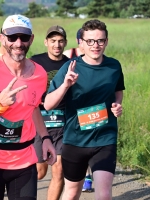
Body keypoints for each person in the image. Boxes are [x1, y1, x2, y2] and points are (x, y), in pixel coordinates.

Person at [0, 14, 57, 200]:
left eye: (24, 37)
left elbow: (33, 108)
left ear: (31, 39)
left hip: (24, 162)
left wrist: (46, 137)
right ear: (2, 38)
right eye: (12, 37)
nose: (18, 43)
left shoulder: (39, 74)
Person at [44, 19, 125, 200]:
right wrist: (65, 85)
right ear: (81, 42)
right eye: (90, 41)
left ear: (106, 41)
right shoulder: (70, 66)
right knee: (72, 192)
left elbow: (118, 91)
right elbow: (48, 104)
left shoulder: (114, 66)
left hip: (105, 138)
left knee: (103, 195)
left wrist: (117, 105)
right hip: (75, 140)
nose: (95, 45)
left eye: (100, 41)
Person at [30, 25, 69, 200]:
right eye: (53, 41)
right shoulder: (34, 62)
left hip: (63, 123)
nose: (57, 44)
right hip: (39, 122)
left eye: (60, 41)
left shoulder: (70, 64)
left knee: (59, 170)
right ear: (46, 42)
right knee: (39, 171)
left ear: (65, 43)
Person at [64, 28, 93, 193]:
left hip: (89, 107)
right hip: (72, 105)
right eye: (84, 41)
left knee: (88, 141)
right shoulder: (70, 54)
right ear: (79, 41)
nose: (86, 44)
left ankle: (87, 177)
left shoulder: (95, 56)